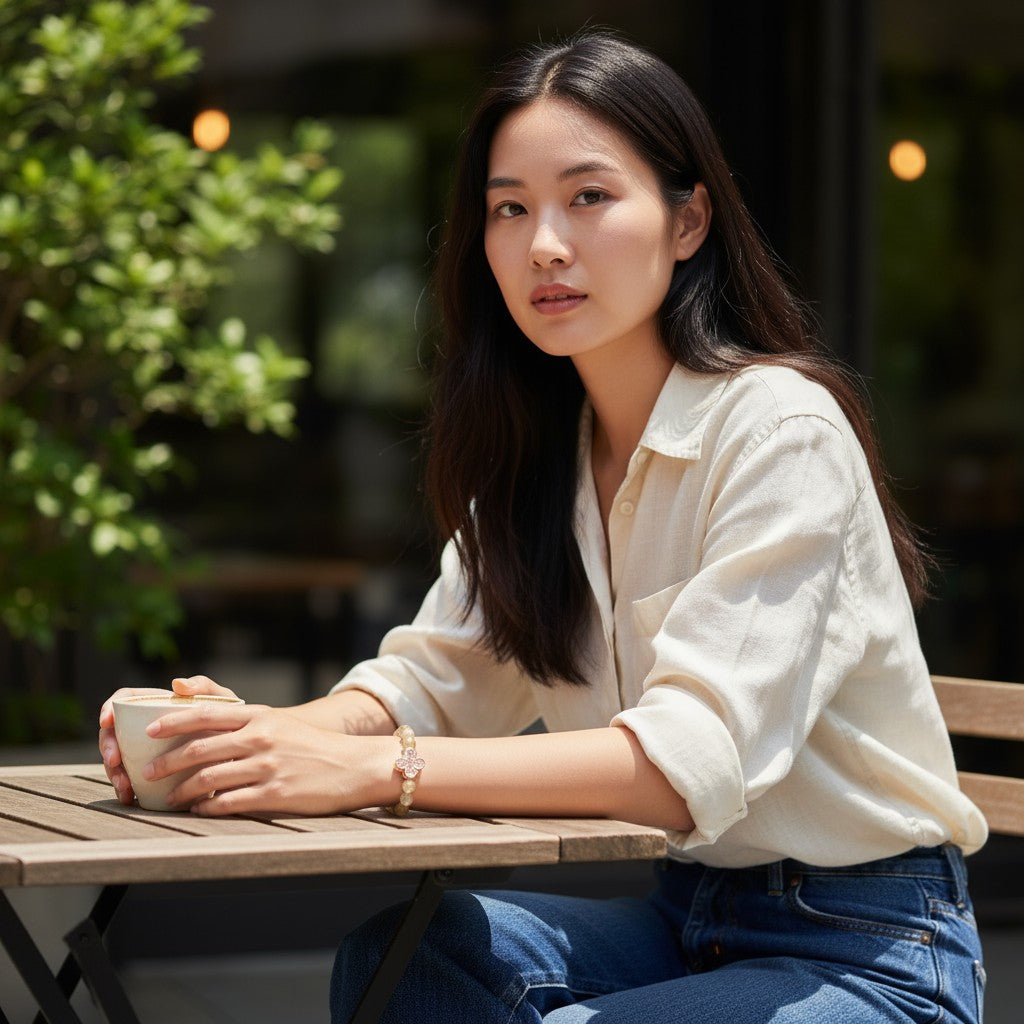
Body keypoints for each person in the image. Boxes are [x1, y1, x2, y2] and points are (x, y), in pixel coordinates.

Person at [98, 29, 989, 1024]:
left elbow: (681, 766)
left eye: (589, 196)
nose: (545, 245)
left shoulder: (780, 431)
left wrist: (374, 771)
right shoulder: (542, 461)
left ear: (688, 220)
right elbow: (429, 688)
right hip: (685, 914)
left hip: (874, 948)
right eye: (510, 208)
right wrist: (232, 738)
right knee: (410, 958)